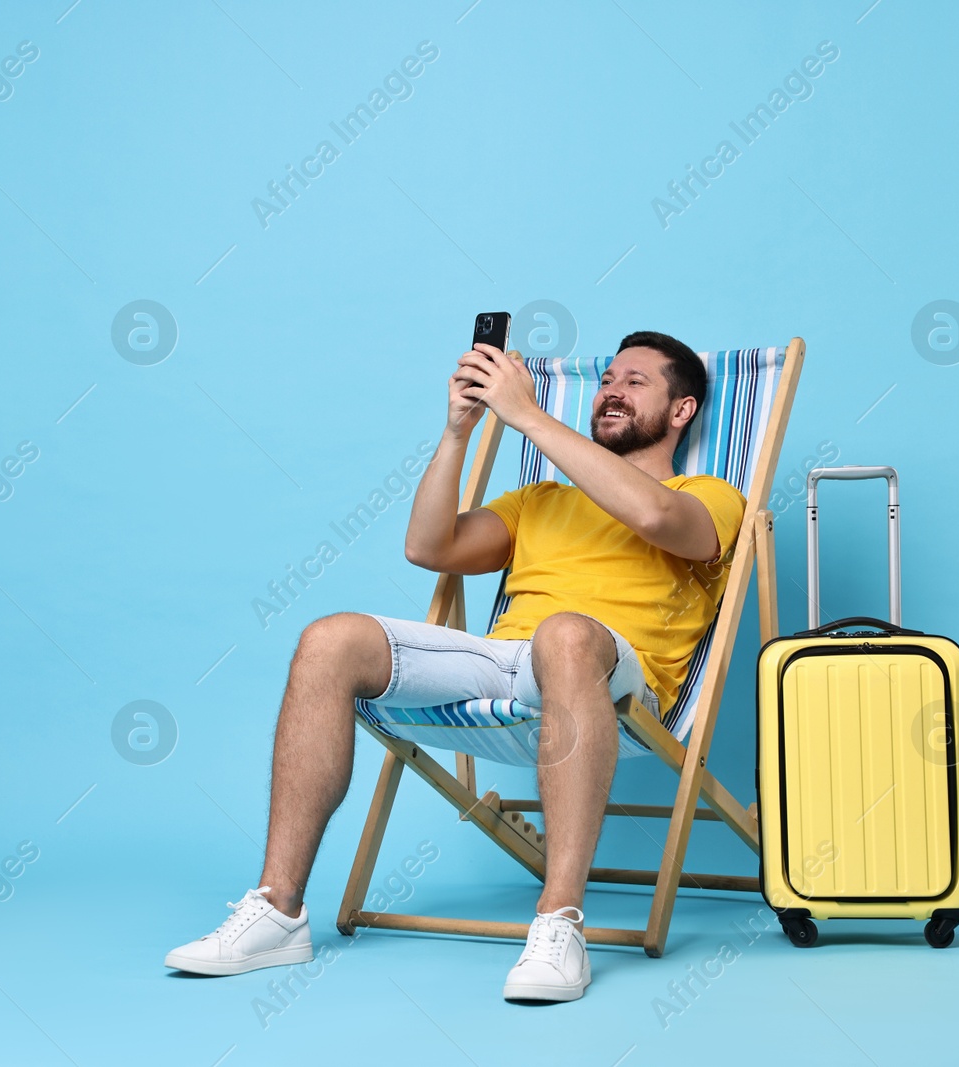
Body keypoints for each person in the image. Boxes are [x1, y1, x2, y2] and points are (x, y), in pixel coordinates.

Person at [165, 331, 746, 1002]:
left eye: (636, 381)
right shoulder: (541, 501)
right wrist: (457, 432)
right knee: (329, 639)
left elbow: (652, 512)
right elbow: (427, 545)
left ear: (682, 410)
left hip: (613, 674)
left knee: (564, 636)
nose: (612, 388)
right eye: (608, 377)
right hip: (506, 665)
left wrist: (527, 415)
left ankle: (559, 923)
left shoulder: (711, 493)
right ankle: (278, 909)